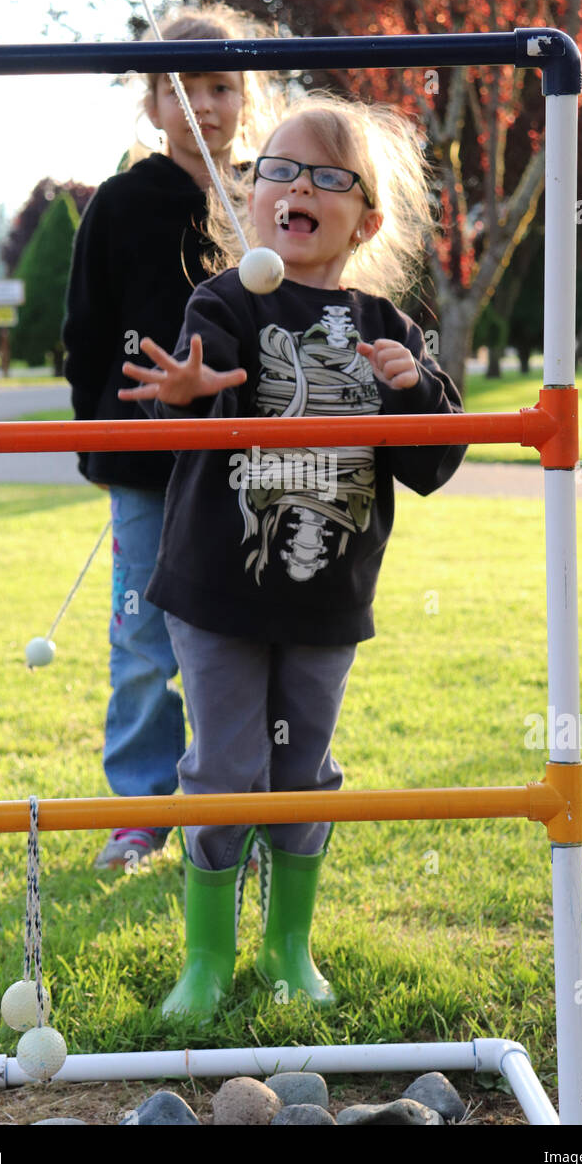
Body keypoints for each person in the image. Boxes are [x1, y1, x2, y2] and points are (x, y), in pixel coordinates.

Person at [117, 90, 468, 1018]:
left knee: (302, 773)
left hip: (325, 599)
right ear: (252, 191)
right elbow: (192, 391)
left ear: (367, 218)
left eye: (325, 177)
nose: (294, 187)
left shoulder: (388, 329)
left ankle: (287, 950)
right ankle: (204, 960)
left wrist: (415, 391)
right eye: (276, 169)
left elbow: (434, 463)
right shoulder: (224, 298)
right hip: (218, 590)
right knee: (227, 772)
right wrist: (188, 391)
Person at [62, 3, 283, 870]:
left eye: (221, 86)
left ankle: (232, 809)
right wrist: (106, 444)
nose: (204, 105)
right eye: (181, 88)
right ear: (151, 104)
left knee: (236, 639)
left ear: (247, 98)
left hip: (246, 466)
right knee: (143, 640)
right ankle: (140, 811)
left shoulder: (270, 199)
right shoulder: (119, 204)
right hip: (146, 471)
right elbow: (86, 335)